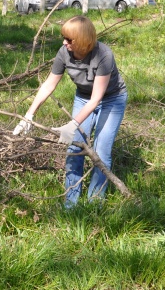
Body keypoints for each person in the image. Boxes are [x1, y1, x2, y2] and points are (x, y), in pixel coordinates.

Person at [13, 16, 127, 208]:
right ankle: (71, 203)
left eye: (69, 39)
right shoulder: (64, 53)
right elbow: (49, 85)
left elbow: (96, 99)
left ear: (83, 40)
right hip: (83, 97)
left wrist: (72, 124)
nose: (64, 43)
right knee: (75, 148)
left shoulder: (103, 55)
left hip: (111, 100)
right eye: (63, 38)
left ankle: (94, 203)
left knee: (101, 150)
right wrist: (29, 115)